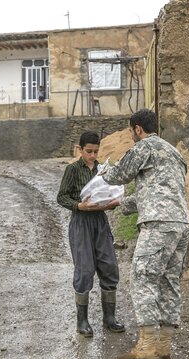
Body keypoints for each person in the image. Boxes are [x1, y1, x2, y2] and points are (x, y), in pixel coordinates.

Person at [101, 109, 189, 359]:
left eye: (131, 131)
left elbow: (118, 175)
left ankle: (147, 346)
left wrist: (103, 171)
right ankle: (164, 347)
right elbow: (157, 193)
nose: (131, 135)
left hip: (159, 226)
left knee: (142, 277)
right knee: (169, 281)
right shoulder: (173, 152)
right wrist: (122, 204)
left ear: (138, 129)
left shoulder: (145, 147)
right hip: (181, 224)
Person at [57, 131, 125, 337]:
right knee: (85, 269)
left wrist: (111, 203)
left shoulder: (101, 169)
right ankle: (82, 320)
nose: (93, 155)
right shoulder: (72, 169)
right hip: (81, 223)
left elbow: (108, 191)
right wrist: (78, 205)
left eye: (96, 151)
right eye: (89, 151)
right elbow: (62, 197)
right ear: (80, 149)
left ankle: (109, 318)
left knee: (109, 265)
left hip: (100, 222)